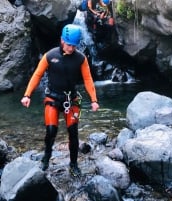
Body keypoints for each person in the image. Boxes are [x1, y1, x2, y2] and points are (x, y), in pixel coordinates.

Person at [20, 24, 100, 177]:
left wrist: (94, 100)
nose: (71, 48)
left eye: (74, 46)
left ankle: (73, 164)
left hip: (71, 100)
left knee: (73, 132)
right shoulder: (50, 56)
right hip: (53, 98)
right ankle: (46, 157)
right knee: (51, 131)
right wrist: (27, 95)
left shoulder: (80, 59)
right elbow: (37, 75)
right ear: (62, 40)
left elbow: (88, 79)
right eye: (69, 45)